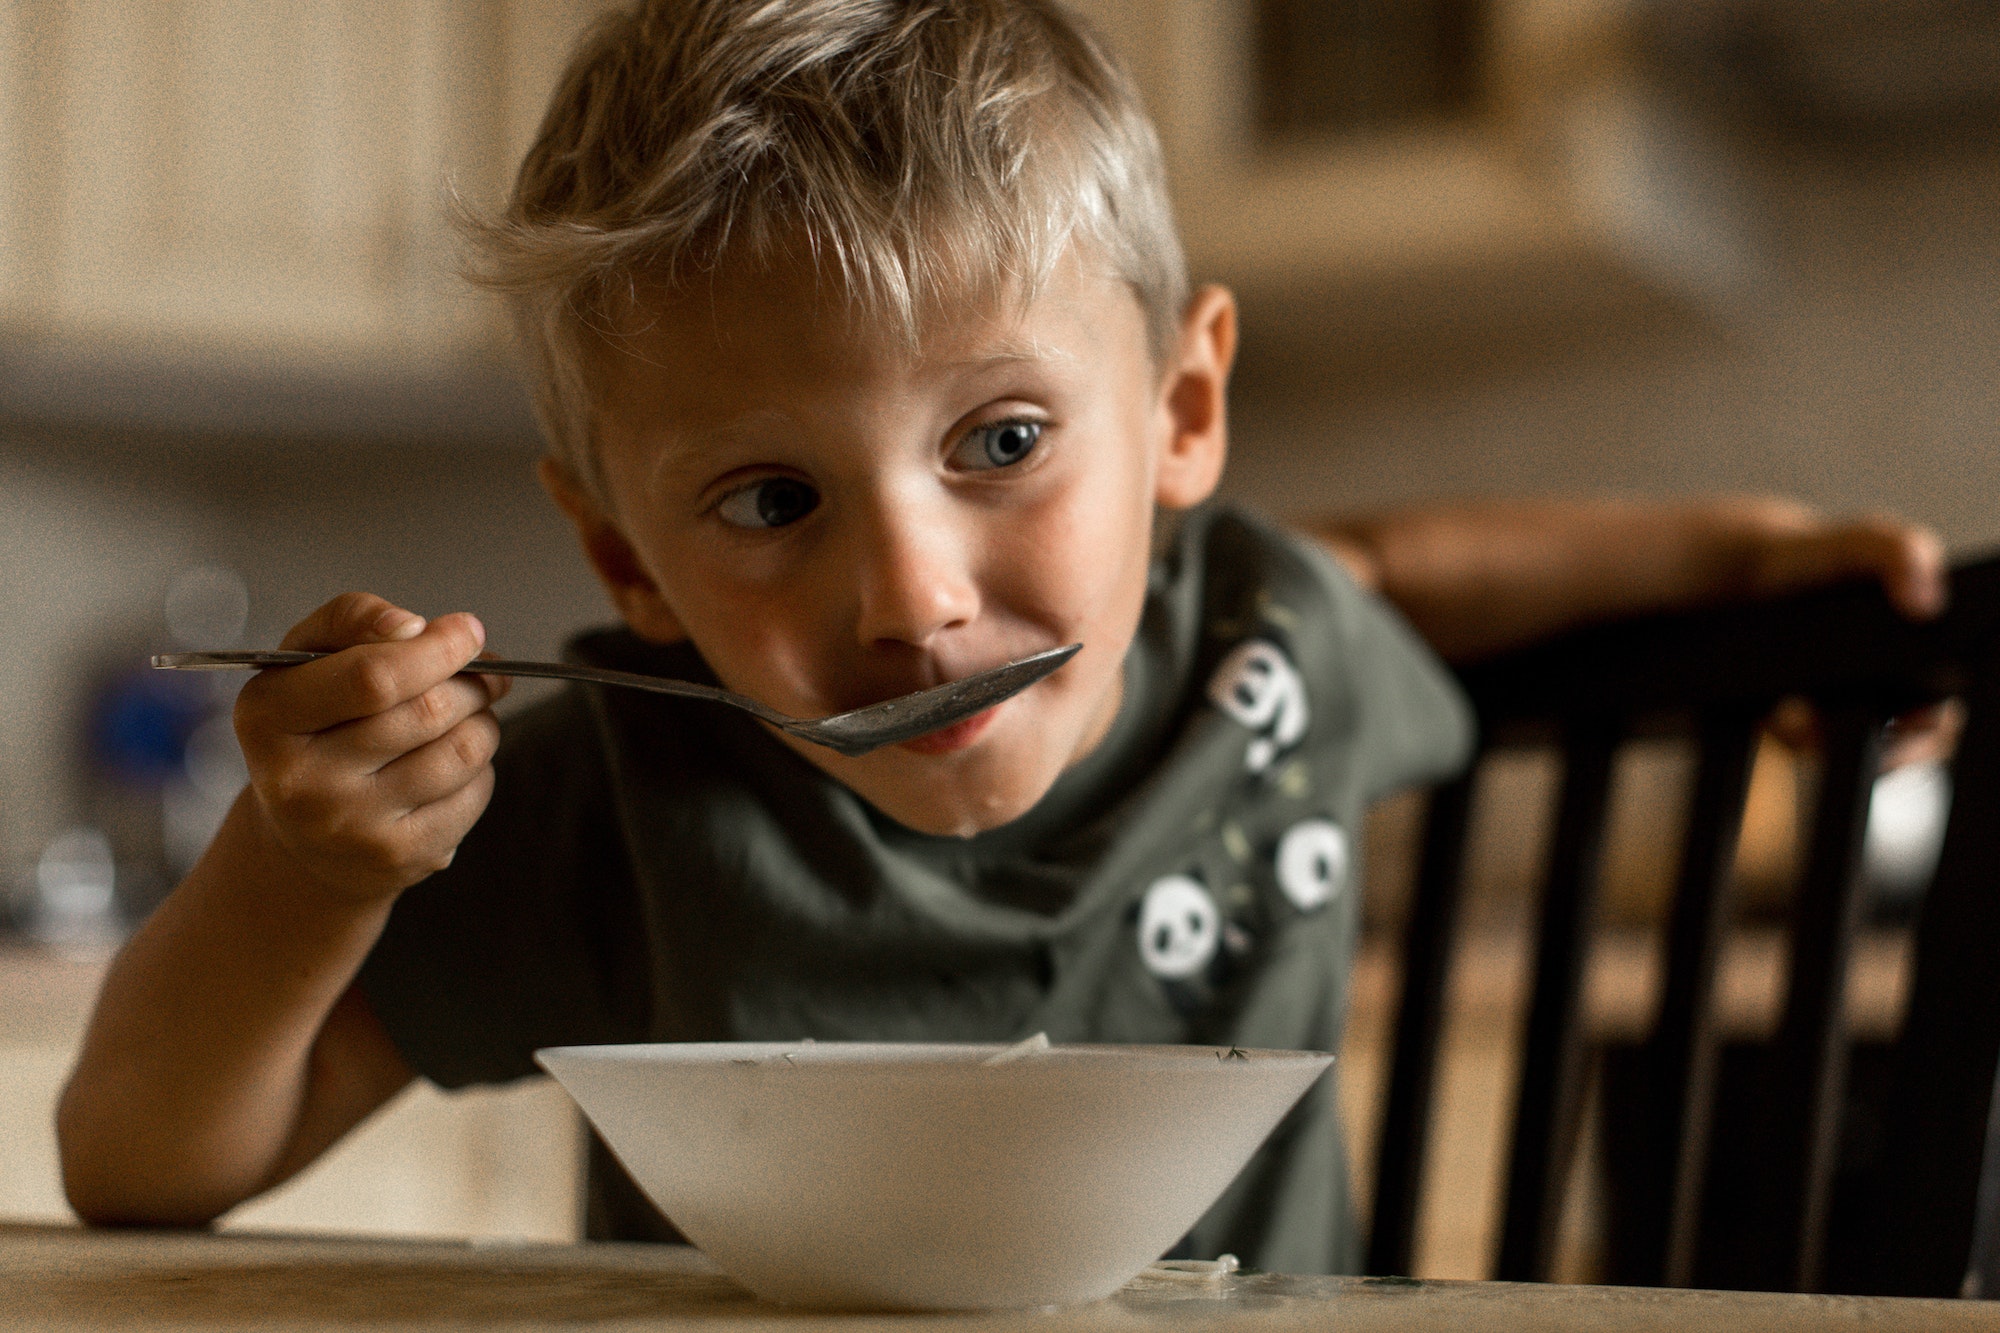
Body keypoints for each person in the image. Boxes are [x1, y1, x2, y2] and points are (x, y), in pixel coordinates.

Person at [56, 0, 1945, 1276]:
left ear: (1186, 415)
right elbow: (137, 1169)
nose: (912, 600)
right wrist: (301, 874)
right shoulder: (623, 788)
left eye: (1006, 442)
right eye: (772, 500)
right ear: (624, 558)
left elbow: (1414, 562)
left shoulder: (1261, 652)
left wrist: (1743, 562)